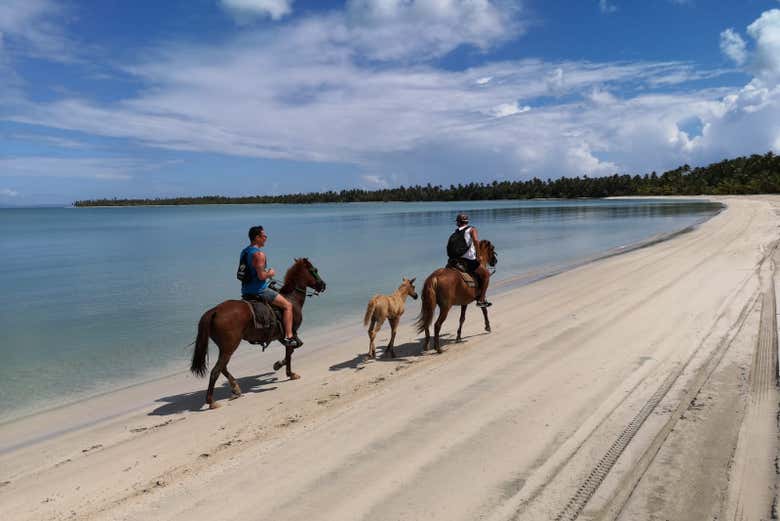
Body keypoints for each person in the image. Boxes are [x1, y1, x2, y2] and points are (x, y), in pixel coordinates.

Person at [240, 225, 302, 348]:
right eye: (264, 236)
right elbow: (262, 276)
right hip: (260, 290)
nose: (266, 238)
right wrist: (270, 273)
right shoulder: (259, 254)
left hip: (245, 290)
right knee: (288, 306)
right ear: (257, 237)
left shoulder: (245, 251)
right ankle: (289, 337)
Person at [451, 213, 492, 308]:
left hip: (457, 260)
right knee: (486, 274)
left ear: (458, 223)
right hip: (468, 260)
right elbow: (476, 241)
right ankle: (481, 300)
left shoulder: (456, 232)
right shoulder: (472, 229)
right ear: (467, 222)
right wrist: (478, 255)